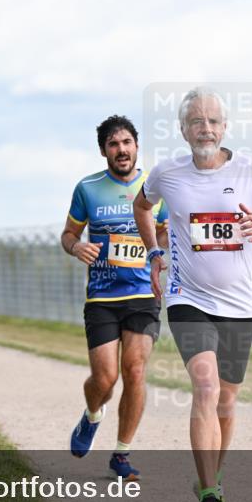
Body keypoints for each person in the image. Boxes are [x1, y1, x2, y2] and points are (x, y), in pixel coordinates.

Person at [133, 87, 252, 502]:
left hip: (239, 304)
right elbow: (142, 204)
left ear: (224, 127)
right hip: (187, 298)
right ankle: (209, 495)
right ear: (183, 129)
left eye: (212, 121)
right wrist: (154, 253)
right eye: (196, 121)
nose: (205, 128)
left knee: (227, 401)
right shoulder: (167, 174)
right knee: (206, 388)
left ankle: (214, 476)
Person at [61, 115, 169, 481]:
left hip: (143, 293)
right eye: (113, 144)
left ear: (137, 146)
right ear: (104, 150)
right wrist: (77, 247)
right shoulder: (87, 188)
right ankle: (93, 415)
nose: (121, 150)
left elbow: (165, 234)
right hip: (102, 297)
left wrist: (164, 254)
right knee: (104, 380)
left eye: (126, 142)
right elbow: (68, 234)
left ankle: (122, 454)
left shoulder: (156, 189)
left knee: (135, 370)